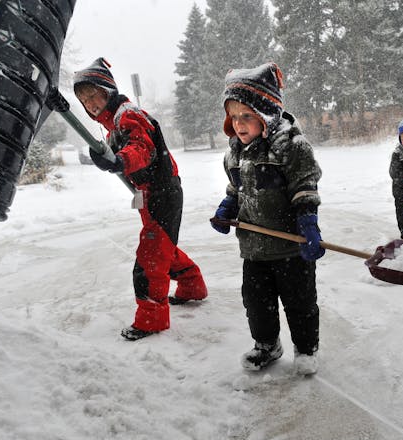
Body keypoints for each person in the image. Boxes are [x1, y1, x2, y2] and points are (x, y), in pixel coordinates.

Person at [73, 57, 207, 340]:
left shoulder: (128, 115)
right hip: (149, 196)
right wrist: (104, 158)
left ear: (107, 90)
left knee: (150, 258)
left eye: (94, 95)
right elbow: (118, 155)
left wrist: (120, 160)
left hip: (163, 193)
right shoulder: (113, 125)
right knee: (162, 248)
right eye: (85, 101)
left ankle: (151, 319)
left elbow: (142, 148)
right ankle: (192, 286)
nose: (91, 103)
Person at [210, 62, 324, 375]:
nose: (239, 124)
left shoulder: (291, 147)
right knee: (257, 303)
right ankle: (267, 345)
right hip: (254, 248)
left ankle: (306, 349)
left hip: (291, 247)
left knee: (300, 303)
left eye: (247, 115)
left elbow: (305, 187)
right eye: (234, 117)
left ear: (268, 115)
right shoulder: (235, 152)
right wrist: (226, 208)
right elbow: (236, 189)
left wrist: (308, 222)